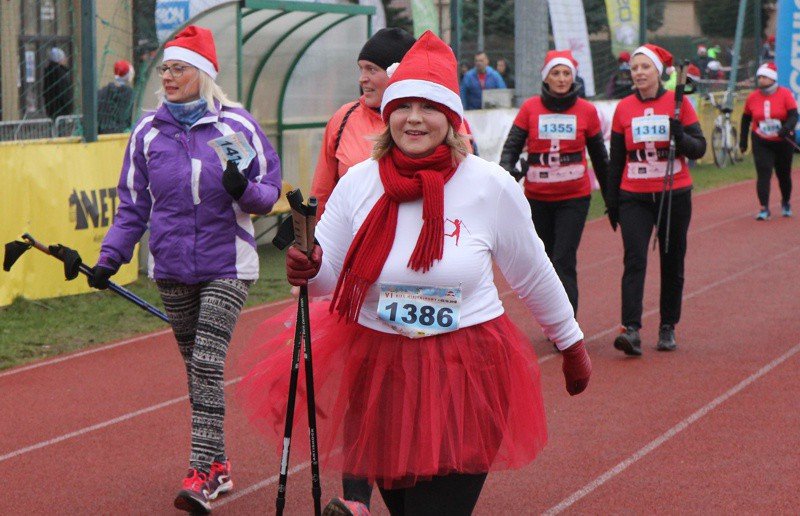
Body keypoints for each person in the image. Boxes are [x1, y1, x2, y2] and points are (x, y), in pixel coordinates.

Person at [238, 31, 591, 515]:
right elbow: (328, 281)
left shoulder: (490, 185)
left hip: (466, 371)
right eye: (404, 106)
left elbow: (533, 272)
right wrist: (310, 265)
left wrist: (571, 345)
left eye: (430, 108)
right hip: (383, 373)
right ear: (388, 115)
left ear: (451, 118)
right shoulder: (361, 182)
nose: (415, 118)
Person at [88, 26, 282, 514]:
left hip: (227, 264)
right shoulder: (148, 131)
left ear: (204, 74)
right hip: (171, 266)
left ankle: (201, 474)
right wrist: (109, 258)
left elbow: (268, 193)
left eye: (179, 68)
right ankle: (218, 463)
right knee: (195, 369)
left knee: (207, 363)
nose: (169, 77)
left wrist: (242, 187)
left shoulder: (235, 128)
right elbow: (132, 205)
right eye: (165, 69)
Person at [605, 44, 707, 355]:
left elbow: (699, 148)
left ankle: (667, 326)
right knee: (635, 259)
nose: (638, 73)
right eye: (634, 68)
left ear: (658, 72)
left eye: (644, 67)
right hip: (633, 196)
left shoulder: (679, 104)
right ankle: (631, 328)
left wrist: (682, 137)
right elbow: (616, 159)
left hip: (674, 194)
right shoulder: (623, 108)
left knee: (671, 259)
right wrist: (612, 202)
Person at [499, 50, 609, 320]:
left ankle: (566, 323)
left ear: (574, 77)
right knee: (544, 262)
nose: (561, 79)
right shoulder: (530, 108)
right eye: (556, 73)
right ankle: (551, 318)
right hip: (537, 197)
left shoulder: (587, 110)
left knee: (563, 258)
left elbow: (600, 157)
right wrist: (505, 171)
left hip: (575, 197)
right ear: (545, 78)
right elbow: (511, 147)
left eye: (566, 73)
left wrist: (612, 198)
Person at [312, 27, 416, 218]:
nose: (362, 79)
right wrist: (313, 240)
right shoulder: (344, 117)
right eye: (361, 69)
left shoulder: (433, 122)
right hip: (351, 241)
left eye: (372, 69)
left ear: (397, 73)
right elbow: (322, 193)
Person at [739, 62, 798, 220]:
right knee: (763, 173)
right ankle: (764, 207)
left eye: (764, 77)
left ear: (772, 78)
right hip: (761, 140)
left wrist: (786, 128)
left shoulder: (785, 94)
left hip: (783, 140)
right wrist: (743, 141)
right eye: (759, 77)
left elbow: (794, 115)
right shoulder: (752, 97)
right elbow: (745, 120)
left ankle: (785, 202)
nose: (761, 80)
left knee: (783, 174)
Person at [97, 60, 135, 134]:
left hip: (100, 134)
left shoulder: (103, 91)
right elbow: (125, 118)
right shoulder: (128, 93)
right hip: (117, 134)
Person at [42, 47, 73, 119]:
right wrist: (69, 110)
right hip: (62, 112)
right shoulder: (61, 73)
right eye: (64, 58)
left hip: (51, 111)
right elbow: (65, 93)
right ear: (59, 60)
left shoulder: (48, 73)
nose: (66, 59)